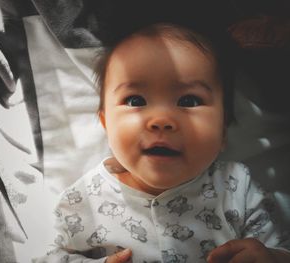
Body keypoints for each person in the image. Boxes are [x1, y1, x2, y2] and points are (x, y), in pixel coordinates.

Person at [35, 23, 290, 263]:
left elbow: (278, 245)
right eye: (135, 101)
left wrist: (273, 257)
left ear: (223, 131)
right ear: (106, 124)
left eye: (188, 101)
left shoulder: (237, 187)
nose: (161, 120)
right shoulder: (82, 199)